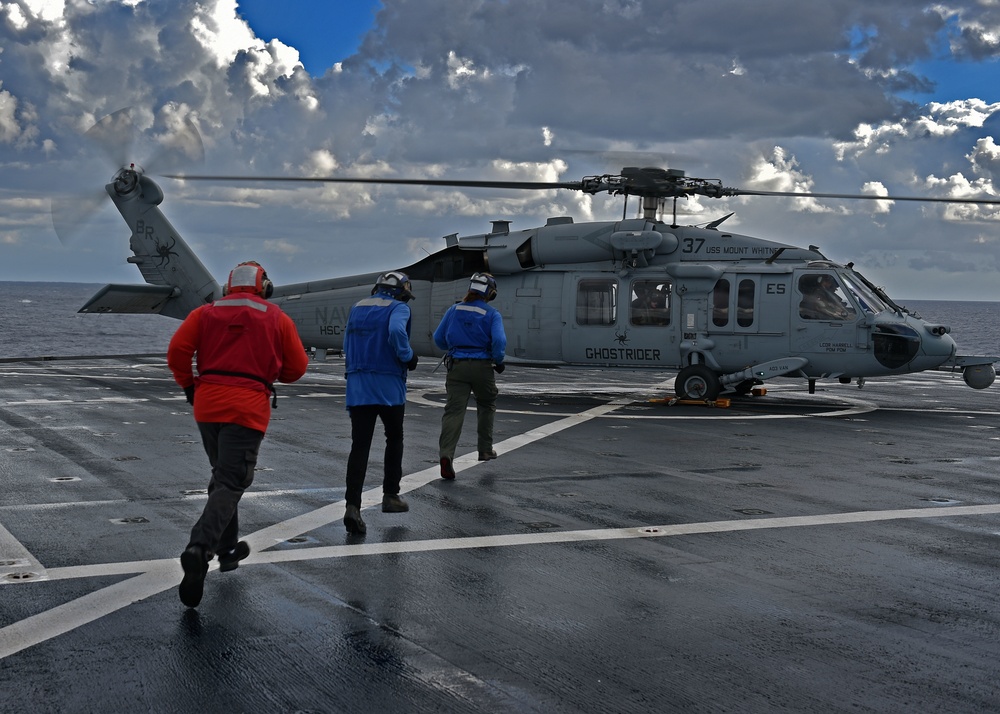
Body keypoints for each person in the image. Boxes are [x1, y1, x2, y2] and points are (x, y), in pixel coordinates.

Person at [167, 260, 308, 608]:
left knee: (222, 478)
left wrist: (189, 386)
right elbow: (297, 368)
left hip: (208, 404)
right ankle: (199, 547)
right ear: (265, 287)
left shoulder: (205, 314)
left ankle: (228, 550)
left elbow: (177, 353)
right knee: (231, 482)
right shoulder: (277, 318)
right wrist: (268, 374)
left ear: (229, 287)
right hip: (246, 409)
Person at [342, 271, 419, 535]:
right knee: (394, 437)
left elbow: (347, 341)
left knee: (360, 446)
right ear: (401, 292)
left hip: (358, 384)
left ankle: (352, 506)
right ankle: (390, 496)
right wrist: (408, 356)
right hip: (388, 385)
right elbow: (397, 331)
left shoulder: (357, 307)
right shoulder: (399, 308)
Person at [434, 272, 507, 479]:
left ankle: (446, 454)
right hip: (482, 366)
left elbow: (439, 338)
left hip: (456, 366)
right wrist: (498, 361)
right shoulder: (492, 314)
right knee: (486, 403)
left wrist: (455, 347)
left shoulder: (453, 310)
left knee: (454, 411)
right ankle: (485, 449)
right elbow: (499, 342)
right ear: (490, 293)